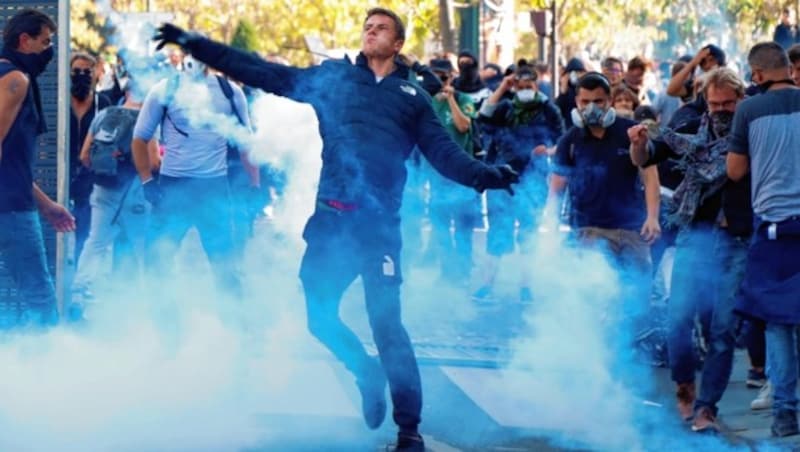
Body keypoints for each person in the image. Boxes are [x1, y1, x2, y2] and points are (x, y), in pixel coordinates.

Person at [152, 8, 518, 451]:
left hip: (378, 228)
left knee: (388, 325)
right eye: (367, 26)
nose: (371, 31)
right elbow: (265, 72)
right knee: (319, 318)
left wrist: (488, 175)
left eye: (381, 28)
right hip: (331, 223)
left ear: (398, 44)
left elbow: (444, 154)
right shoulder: (334, 79)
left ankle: (409, 431)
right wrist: (193, 42)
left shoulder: (412, 96)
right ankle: (364, 371)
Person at [630, 67, 752, 431]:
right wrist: (638, 141)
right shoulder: (690, 132)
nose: (721, 110)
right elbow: (648, 155)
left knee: (723, 328)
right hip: (693, 236)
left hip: (736, 242)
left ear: (741, 100)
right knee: (678, 319)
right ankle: (685, 388)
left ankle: (707, 408)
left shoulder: (752, 135)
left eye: (729, 103)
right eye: (715, 103)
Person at [131, 54, 258, 300]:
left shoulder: (230, 92)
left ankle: (236, 324)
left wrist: (255, 185)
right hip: (173, 189)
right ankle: (163, 321)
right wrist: (146, 181)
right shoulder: (165, 90)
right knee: (157, 260)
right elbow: (139, 138)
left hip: (213, 189)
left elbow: (246, 144)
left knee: (224, 265)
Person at [547, 72, 660, 338]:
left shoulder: (629, 131)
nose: (591, 108)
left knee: (637, 300)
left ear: (609, 100)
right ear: (576, 101)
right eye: (585, 101)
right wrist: (548, 225)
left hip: (633, 230)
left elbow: (649, 172)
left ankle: (632, 351)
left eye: (598, 101)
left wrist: (652, 217)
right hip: (590, 231)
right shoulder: (571, 140)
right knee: (600, 297)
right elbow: (556, 186)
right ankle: (602, 355)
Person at [728, 42, 800, 438]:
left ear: (756, 75)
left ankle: (786, 413)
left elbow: (735, 170)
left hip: (775, 231)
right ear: (788, 68)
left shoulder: (748, 109)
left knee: (778, 325)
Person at [0, 9, 74, 327]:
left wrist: (46, 206)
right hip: (10, 210)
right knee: (40, 300)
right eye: (44, 42)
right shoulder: (15, 79)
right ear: (24, 40)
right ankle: (47, 373)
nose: (49, 50)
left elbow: (11, 165)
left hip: (15, 201)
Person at [474, 63, 564, 302]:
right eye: (520, 86)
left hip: (533, 179)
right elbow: (483, 117)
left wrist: (549, 150)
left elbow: (563, 142)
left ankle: (526, 286)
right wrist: (504, 86)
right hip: (502, 177)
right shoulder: (505, 107)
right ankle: (487, 284)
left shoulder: (548, 110)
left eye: (529, 86)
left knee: (528, 232)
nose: (524, 90)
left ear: (536, 86)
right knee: (498, 232)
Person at [70, 78, 160, 317]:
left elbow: (84, 156)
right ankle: (154, 297)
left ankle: (79, 293)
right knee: (143, 244)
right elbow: (152, 162)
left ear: (127, 92)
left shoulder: (105, 114)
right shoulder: (147, 120)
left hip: (103, 189)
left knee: (96, 242)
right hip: (136, 190)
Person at [426, 58, 481, 284]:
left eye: (442, 75)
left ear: (451, 76)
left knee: (462, 228)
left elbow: (463, 125)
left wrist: (450, 99)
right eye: (434, 75)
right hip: (437, 175)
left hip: (462, 175)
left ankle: (464, 271)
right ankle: (447, 271)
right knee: (440, 228)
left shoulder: (464, 99)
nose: (438, 79)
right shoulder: (428, 103)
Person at [69, 51, 112, 262]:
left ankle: (76, 270)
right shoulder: (59, 103)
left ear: (96, 74)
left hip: (89, 175)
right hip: (60, 171)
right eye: (76, 71)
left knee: (84, 228)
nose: (82, 75)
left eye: (87, 71)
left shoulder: (102, 103)